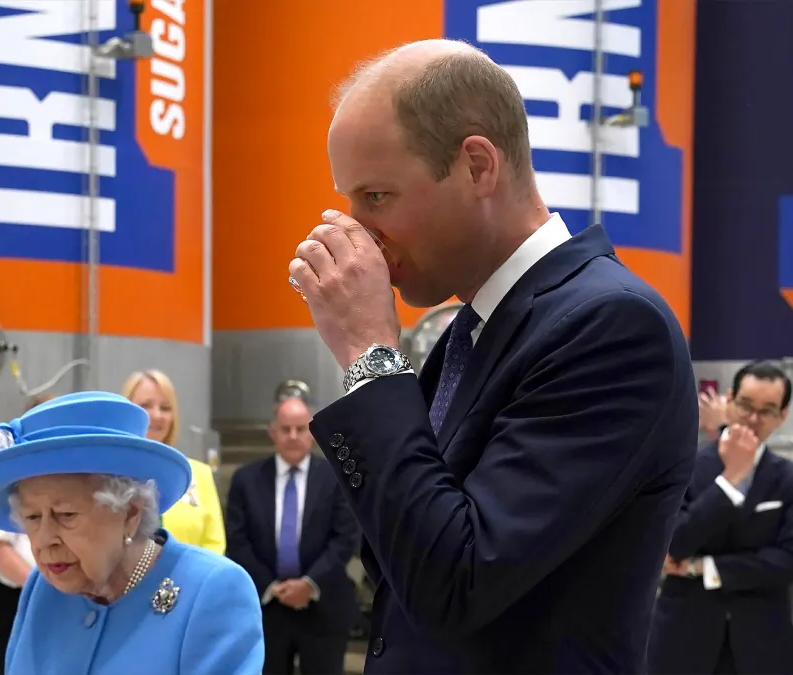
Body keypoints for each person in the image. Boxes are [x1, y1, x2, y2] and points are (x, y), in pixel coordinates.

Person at [287, 39, 699, 673]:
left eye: (376, 197)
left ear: (478, 165)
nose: (359, 232)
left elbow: (453, 583)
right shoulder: (470, 330)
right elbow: (398, 555)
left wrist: (369, 356)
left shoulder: (610, 325)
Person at [0, 391, 264, 675]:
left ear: (130, 512)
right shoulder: (43, 588)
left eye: (65, 515)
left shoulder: (213, 590)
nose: (44, 540)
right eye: (32, 517)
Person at [649, 361, 793, 674]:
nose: (753, 419)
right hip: (683, 637)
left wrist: (704, 567)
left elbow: (785, 562)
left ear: (782, 415)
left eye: (767, 410)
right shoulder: (685, 464)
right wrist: (730, 480)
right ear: (729, 400)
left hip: (761, 642)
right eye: (745, 405)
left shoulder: (788, 479)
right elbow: (673, 544)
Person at [225, 396, 359, 675]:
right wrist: (274, 587)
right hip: (266, 609)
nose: (293, 436)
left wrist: (309, 584)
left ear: (311, 431)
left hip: (323, 606)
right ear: (273, 433)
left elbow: (346, 537)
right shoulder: (246, 480)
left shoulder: (336, 478)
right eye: (286, 429)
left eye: (300, 428)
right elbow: (238, 542)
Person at [0, 394, 52, 675]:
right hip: (18, 595)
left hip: (67, 591)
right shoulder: (2, 478)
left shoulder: (73, 478)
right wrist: (45, 588)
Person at [121, 370, 226, 554]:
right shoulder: (108, 473)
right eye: (146, 405)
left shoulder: (197, 473)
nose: (157, 415)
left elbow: (215, 545)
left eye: (165, 408)